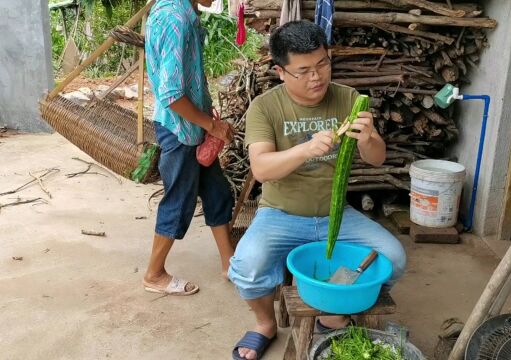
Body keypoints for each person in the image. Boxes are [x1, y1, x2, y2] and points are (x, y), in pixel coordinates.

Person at [228, 20, 407, 359]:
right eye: (304, 70)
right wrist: (305, 149)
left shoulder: (349, 98)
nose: (317, 77)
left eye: (323, 63)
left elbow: (377, 158)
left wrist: (369, 138)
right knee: (246, 268)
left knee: (394, 259)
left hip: (336, 215)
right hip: (280, 214)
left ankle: (334, 313)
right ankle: (265, 324)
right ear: (281, 72)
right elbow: (262, 169)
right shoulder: (265, 107)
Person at [142, 0, 235, 296]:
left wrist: (207, 122)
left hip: (193, 127)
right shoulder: (175, 18)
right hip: (179, 128)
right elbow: (171, 94)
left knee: (216, 192)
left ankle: (229, 263)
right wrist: (210, 125)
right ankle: (154, 274)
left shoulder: (183, 11)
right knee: (179, 200)